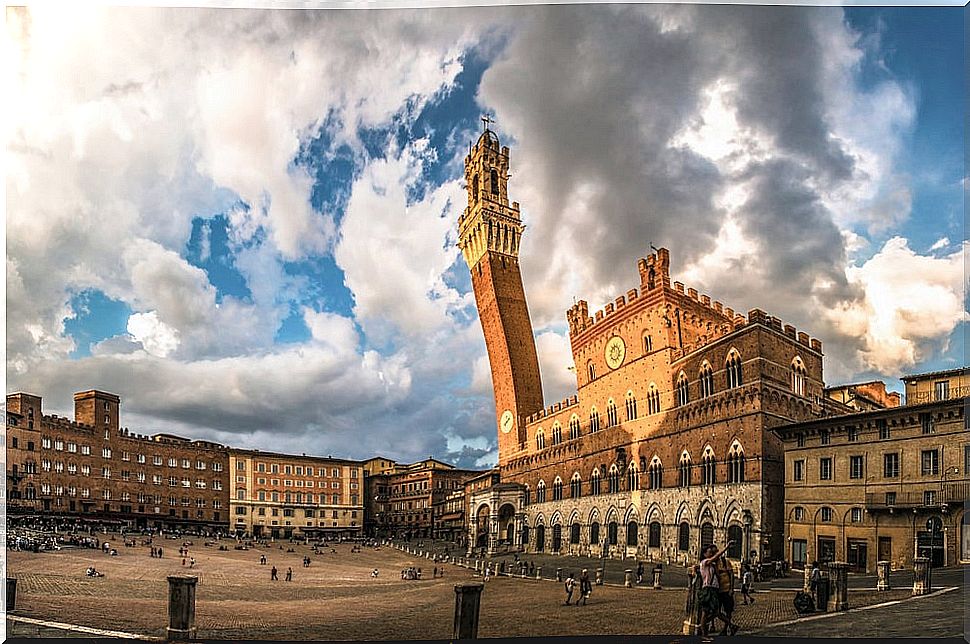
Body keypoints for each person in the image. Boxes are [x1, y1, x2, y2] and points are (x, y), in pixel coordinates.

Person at [698, 541, 734, 637]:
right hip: (708, 589)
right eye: (710, 552)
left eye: (713, 552)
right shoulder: (706, 562)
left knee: (713, 612)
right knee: (710, 612)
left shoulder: (714, 564)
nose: (712, 554)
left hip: (718, 589)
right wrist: (726, 547)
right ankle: (704, 632)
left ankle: (728, 626)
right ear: (705, 554)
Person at [713, 550, 739, 636]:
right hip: (716, 590)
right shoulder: (712, 563)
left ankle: (725, 629)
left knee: (728, 610)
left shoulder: (724, 561)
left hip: (726, 589)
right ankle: (731, 625)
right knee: (716, 611)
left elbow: (731, 574)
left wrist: (731, 588)